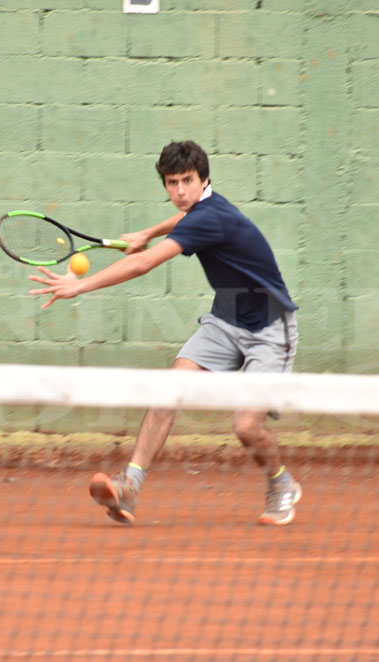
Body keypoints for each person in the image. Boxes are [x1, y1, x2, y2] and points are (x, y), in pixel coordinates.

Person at [28, 140, 300, 526]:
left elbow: (144, 265)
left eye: (187, 181)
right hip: (225, 320)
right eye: (172, 183)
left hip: (269, 329)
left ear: (204, 178)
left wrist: (78, 287)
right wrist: (148, 230)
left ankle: (281, 483)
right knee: (168, 390)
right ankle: (130, 486)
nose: (180, 191)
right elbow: (183, 218)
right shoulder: (203, 207)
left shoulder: (211, 217)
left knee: (245, 427)